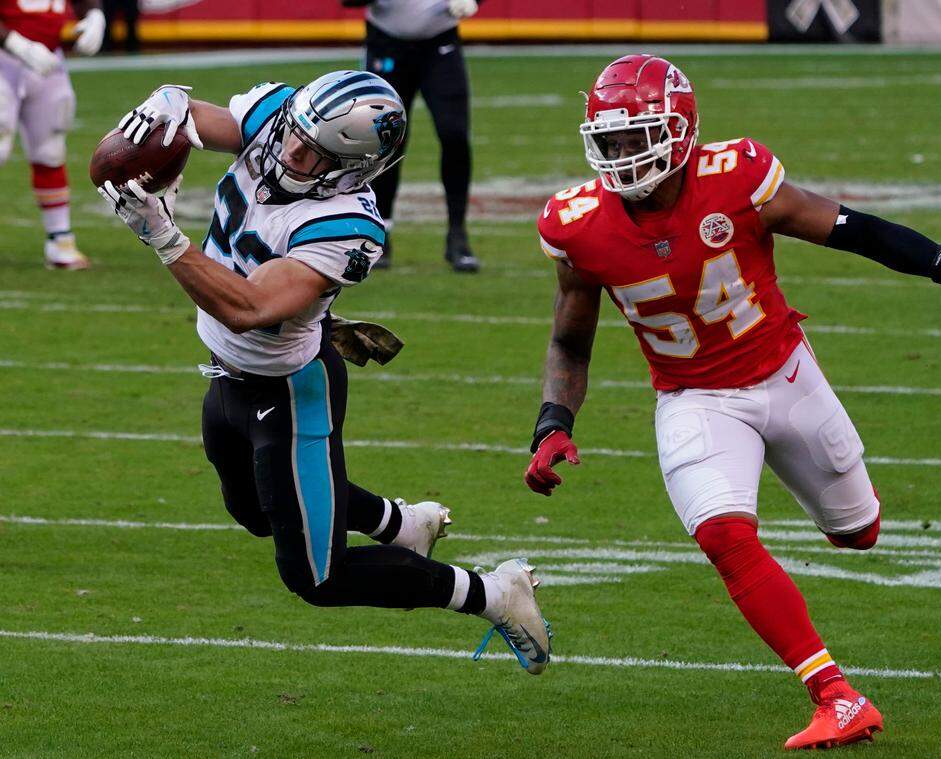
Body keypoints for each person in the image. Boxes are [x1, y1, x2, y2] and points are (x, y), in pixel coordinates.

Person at [525, 55, 941, 749]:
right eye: (613, 140)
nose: (625, 155)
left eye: (640, 137)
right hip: (695, 399)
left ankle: (833, 520)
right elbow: (570, 342)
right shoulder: (577, 227)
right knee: (725, 536)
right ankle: (836, 695)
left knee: (858, 531)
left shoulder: (740, 178)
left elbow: (850, 227)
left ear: (682, 128)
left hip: (785, 374)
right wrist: (553, 422)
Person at [99, 70, 551, 673]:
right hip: (226, 377)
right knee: (257, 513)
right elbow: (205, 121)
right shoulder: (284, 120)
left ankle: (495, 594)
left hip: (289, 392)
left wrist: (163, 234)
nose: (290, 152)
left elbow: (248, 308)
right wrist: (168, 106)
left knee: (318, 575)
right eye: (295, 135)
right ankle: (399, 523)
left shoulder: (347, 227)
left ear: (353, 170)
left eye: (314, 154)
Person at [341, 0, 481, 272]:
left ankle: (457, 234)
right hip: (387, 41)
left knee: (454, 134)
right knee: (383, 141)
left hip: (440, 42)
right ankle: (379, 232)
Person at [1, 0, 105, 269]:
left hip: (48, 60)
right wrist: (15, 42)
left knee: (50, 148)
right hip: (4, 59)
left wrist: (94, 14)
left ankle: (60, 240)